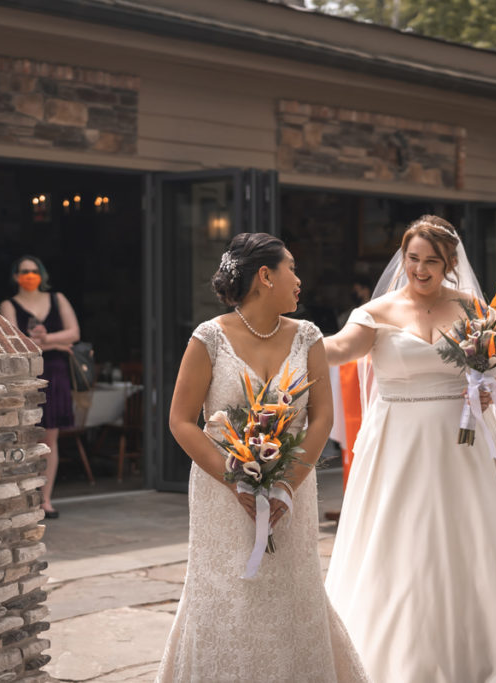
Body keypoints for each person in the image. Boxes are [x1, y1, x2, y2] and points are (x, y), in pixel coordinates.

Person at [323, 216, 496, 683]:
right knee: (401, 541)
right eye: (413, 259)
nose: (420, 269)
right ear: (403, 258)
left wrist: (490, 389)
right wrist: (288, 341)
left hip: (461, 442)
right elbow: (339, 348)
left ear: (449, 264)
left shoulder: (474, 309)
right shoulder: (376, 313)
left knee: (468, 538)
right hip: (397, 443)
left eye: (431, 262)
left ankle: (482, 651)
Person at [156, 232, 367, 682]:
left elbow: (322, 419)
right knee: (227, 592)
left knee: (291, 589)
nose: (299, 280)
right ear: (265, 276)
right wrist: (234, 480)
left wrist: (287, 482)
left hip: (294, 487)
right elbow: (181, 421)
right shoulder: (208, 338)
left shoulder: (308, 336)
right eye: (292, 268)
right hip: (222, 491)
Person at [0, 256, 79, 520]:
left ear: (41, 274)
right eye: (24, 271)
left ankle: (45, 498)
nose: (29, 275)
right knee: (24, 436)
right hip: (25, 375)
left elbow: (74, 333)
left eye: (34, 271)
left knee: (50, 439)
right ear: (15, 275)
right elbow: (14, 342)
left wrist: (47, 340)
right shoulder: (8, 305)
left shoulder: (57, 298)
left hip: (56, 374)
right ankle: (24, 496)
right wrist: (56, 345)